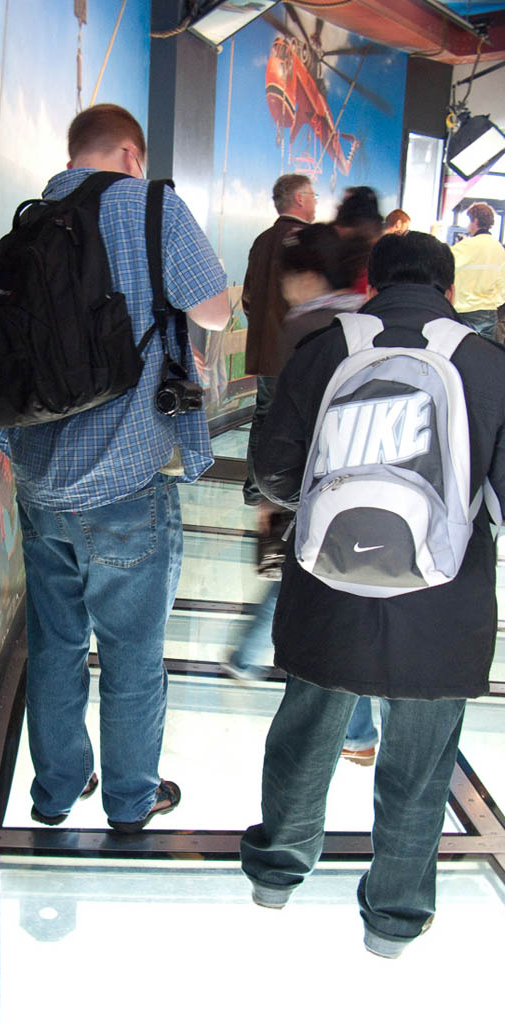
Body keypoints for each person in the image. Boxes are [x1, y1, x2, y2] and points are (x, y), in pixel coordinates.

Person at [241, 230, 505, 957]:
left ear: (373, 284)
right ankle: (392, 920)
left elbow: (272, 471)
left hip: (328, 590)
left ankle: (276, 875)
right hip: (442, 604)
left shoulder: (326, 349)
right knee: (420, 768)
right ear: (449, 290)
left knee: (306, 736)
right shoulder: (488, 365)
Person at [0, 104, 229, 833]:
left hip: (37, 476)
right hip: (125, 480)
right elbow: (216, 311)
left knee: (56, 644)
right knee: (132, 653)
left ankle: (56, 792)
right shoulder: (151, 204)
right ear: (131, 152)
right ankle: (131, 801)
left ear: (74, 155)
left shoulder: (32, 217)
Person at [225, 223, 378, 763]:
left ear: (308, 276)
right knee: (336, 601)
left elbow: (281, 420)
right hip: (345, 485)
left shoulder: (306, 327)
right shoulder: (360, 323)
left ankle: (250, 657)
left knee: (310, 589)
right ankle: (356, 730)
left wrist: (271, 496)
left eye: (289, 278)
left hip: (308, 485)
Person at [242, 174, 317, 504]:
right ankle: (286, 492)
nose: (316, 202)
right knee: (300, 420)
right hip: (300, 353)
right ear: (299, 199)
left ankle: (255, 488)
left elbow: (247, 298)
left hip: (266, 351)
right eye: (313, 195)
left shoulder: (262, 240)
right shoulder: (309, 242)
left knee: (263, 416)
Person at [451, 202, 505, 342]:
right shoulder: (498, 248)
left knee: (461, 353)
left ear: (475, 220)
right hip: (489, 311)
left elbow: (447, 272)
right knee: (484, 354)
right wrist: (492, 301)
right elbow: (502, 284)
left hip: (463, 311)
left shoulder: (463, 246)